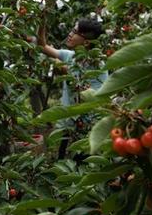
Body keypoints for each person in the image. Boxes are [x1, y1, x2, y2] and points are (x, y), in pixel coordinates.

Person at [38, 18, 107, 158]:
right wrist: (42, 21)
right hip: (67, 123)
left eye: (75, 32)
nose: (70, 34)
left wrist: (67, 72)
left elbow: (98, 98)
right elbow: (42, 46)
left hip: (86, 126)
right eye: (72, 30)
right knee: (62, 157)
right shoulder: (69, 56)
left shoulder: (98, 65)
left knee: (82, 159)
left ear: (86, 42)